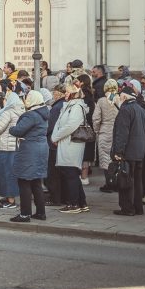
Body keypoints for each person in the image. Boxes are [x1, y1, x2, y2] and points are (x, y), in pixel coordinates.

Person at [7, 89, 50, 222]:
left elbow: (18, 130)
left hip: (30, 150)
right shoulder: (43, 113)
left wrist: (11, 128)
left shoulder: (31, 115)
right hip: (41, 148)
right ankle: (41, 212)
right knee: (36, 182)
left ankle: (25, 214)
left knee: (24, 181)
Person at [110, 85, 145, 216]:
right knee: (138, 181)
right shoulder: (141, 110)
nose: (120, 99)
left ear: (125, 97)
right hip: (140, 151)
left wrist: (118, 152)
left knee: (126, 180)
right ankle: (138, 208)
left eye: (120, 96)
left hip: (128, 152)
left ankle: (127, 208)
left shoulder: (125, 110)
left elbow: (122, 133)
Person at [52, 83, 89, 214]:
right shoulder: (68, 105)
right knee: (70, 172)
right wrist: (55, 136)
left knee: (71, 173)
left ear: (73, 94)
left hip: (72, 144)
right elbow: (59, 123)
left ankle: (73, 204)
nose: (65, 94)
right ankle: (82, 202)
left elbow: (70, 125)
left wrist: (55, 137)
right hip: (65, 142)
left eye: (67, 92)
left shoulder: (77, 107)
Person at [0, 89, 24, 209]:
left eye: (6, 99)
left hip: (5, 146)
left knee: (6, 173)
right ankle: (9, 197)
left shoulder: (8, 112)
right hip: (14, 146)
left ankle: (11, 200)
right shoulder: (21, 111)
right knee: (10, 173)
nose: (4, 100)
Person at [93, 79, 119, 186]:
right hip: (117, 132)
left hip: (104, 131)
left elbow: (96, 118)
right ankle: (117, 181)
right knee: (116, 158)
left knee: (105, 158)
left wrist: (97, 130)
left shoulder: (101, 101)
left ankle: (108, 183)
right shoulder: (120, 99)